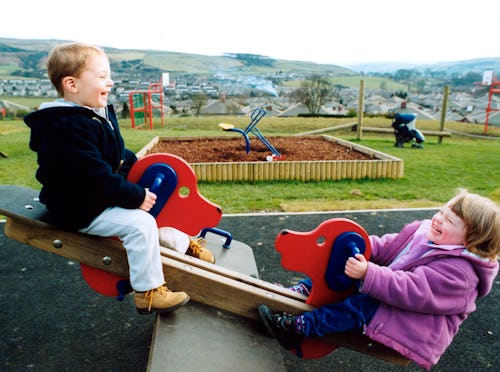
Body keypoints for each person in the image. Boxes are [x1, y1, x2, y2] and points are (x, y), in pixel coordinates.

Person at [24, 42, 213, 314]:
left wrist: (131, 167)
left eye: (109, 76)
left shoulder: (90, 115)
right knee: (139, 223)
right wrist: (133, 195)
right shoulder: (65, 127)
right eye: (102, 76)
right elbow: (93, 175)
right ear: (72, 84)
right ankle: (148, 292)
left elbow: (115, 153)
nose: (110, 82)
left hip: (94, 198)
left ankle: (183, 245)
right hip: (77, 209)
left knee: (153, 207)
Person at [259, 189, 499, 369]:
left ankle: (301, 327)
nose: (438, 219)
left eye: (449, 221)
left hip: (413, 325)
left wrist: (368, 273)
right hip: (395, 298)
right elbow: (387, 246)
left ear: (472, 241)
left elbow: (411, 289)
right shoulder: (426, 234)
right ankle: (299, 291)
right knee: (346, 268)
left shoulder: (461, 274)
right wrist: (361, 249)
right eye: (441, 211)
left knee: (364, 304)